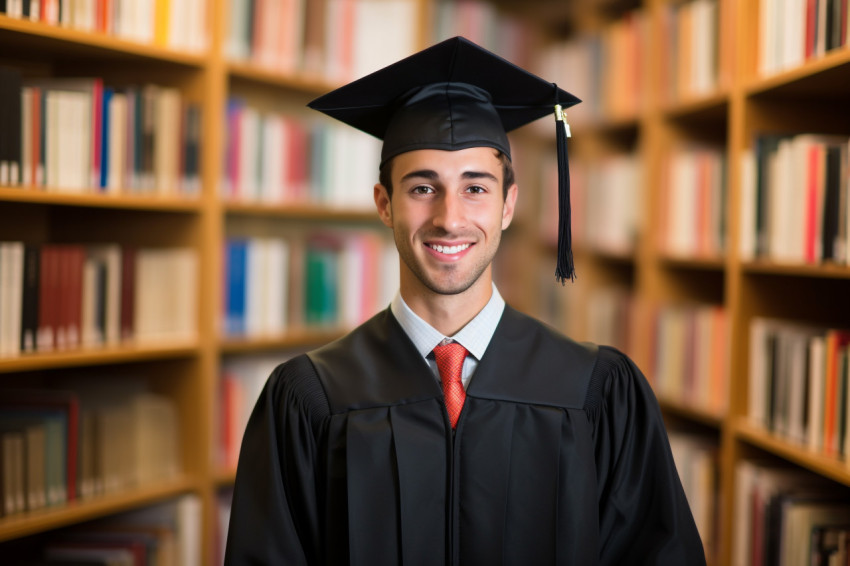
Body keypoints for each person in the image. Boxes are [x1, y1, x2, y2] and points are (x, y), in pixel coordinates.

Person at [224, 37, 706, 566]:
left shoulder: (596, 393)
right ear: (384, 205)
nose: (450, 218)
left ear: (508, 205)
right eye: (422, 188)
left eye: (475, 188)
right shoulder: (310, 399)